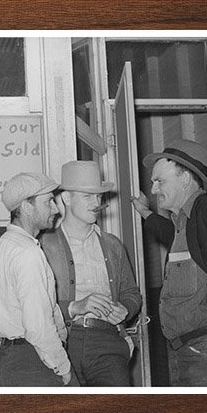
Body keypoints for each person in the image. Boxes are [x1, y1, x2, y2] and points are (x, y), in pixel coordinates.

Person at [39, 160, 142, 387]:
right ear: (66, 198)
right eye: (87, 196)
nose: (96, 203)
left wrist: (125, 307)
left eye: (98, 196)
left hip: (107, 342)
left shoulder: (113, 245)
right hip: (62, 342)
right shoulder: (44, 246)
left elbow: (131, 293)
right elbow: (35, 305)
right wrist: (75, 306)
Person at [131, 138, 207, 388]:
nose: (155, 189)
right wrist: (145, 212)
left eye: (160, 181)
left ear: (184, 178)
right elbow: (172, 235)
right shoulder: (184, 224)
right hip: (184, 348)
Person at [0, 172, 78, 387]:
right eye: (48, 202)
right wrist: (63, 367)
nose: (55, 209)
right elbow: (38, 326)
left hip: (11, 359)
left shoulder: (3, 246)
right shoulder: (27, 253)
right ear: (26, 207)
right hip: (32, 360)